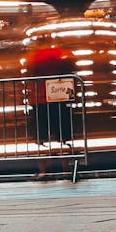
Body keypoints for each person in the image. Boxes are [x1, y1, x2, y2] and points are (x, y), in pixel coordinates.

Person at [24, 35, 77, 180]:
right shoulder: (60, 54)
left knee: (41, 137)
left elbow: (29, 72)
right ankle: (66, 169)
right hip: (59, 98)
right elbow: (72, 67)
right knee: (62, 136)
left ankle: (44, 171)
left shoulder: (34, 57)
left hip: (39, 100)